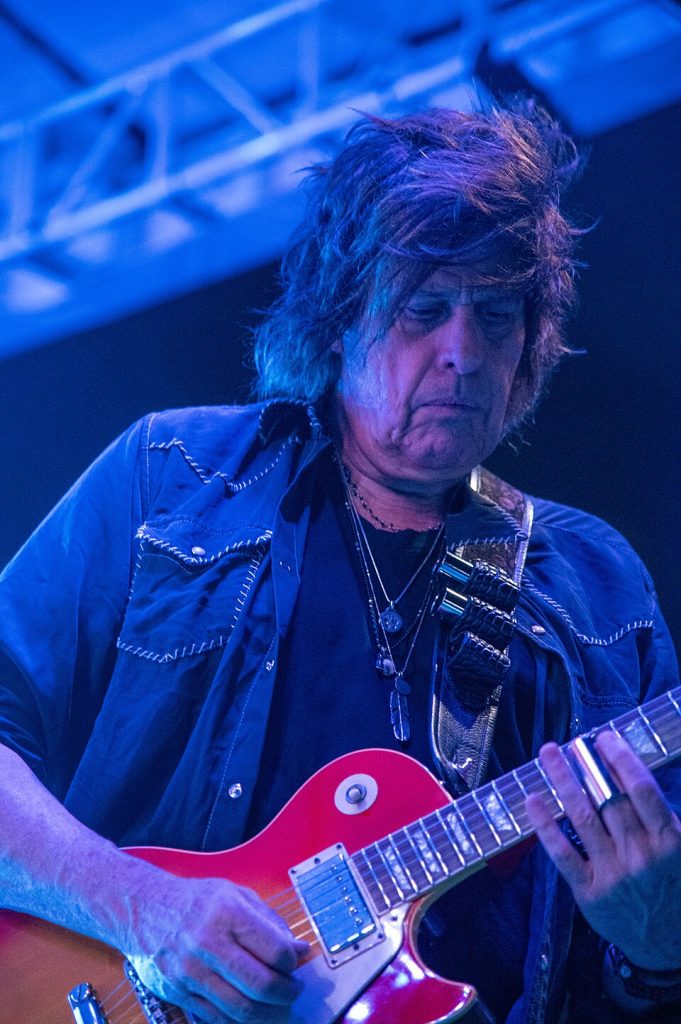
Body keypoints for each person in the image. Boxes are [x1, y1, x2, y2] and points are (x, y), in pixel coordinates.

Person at [0, 99, 679, 1024]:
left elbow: (632, 974)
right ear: (335, 322)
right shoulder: (174, 477)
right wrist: (143, 907)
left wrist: (656, 954)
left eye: (495, 316)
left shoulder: (597, 589)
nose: (462, 353)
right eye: (424, 309)